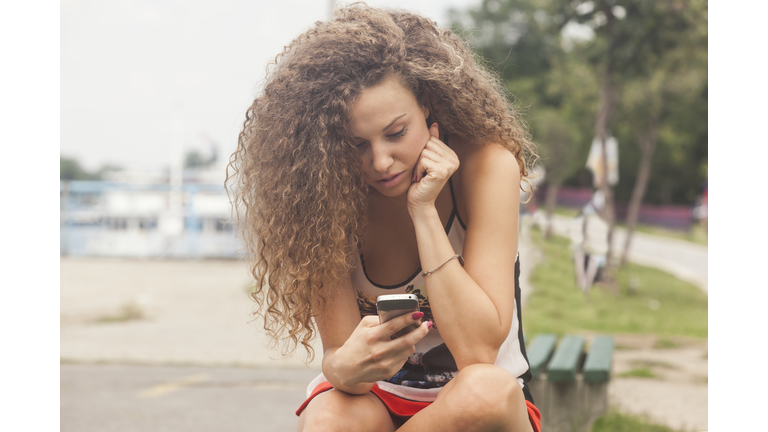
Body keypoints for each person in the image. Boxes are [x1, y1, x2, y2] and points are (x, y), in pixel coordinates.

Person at [227, 4, 541, 431]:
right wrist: (344, 367)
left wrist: (424, 211)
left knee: (485, 393)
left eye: (396, 133)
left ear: (427, 105)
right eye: (356, 145)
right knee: (330, 418)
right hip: (379, 398)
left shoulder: (486, 166)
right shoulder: (322, 198)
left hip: (480, 403)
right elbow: (339, 361)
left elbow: (478, 355)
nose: (381, 162)